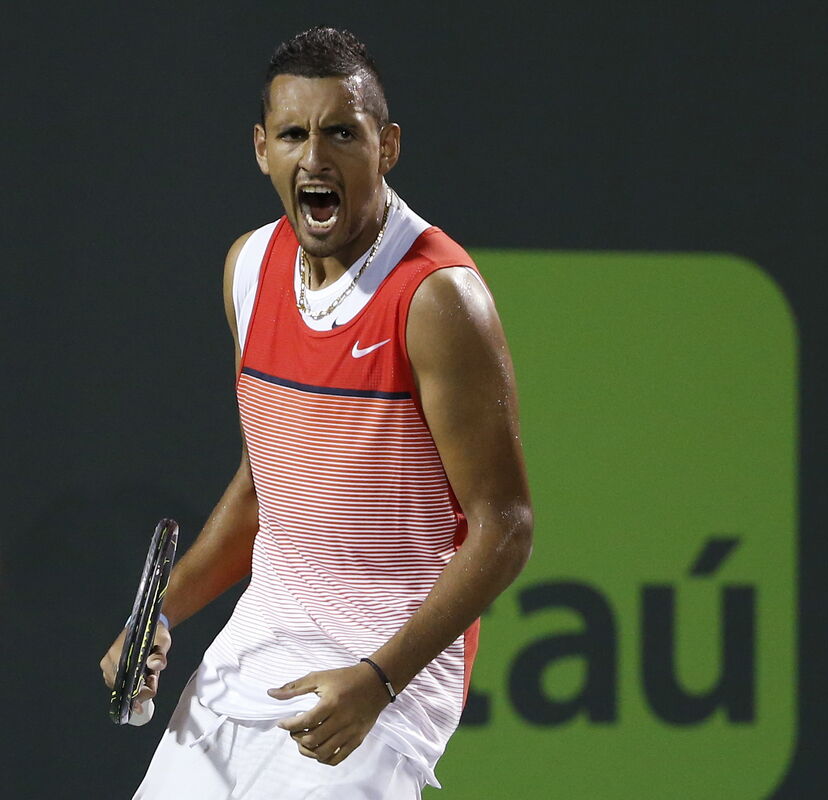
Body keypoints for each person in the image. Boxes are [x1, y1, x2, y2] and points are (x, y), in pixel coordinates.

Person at [100, 27, 533, 798]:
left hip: (383, 683)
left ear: (386, 146)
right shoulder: (248, 270)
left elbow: (505, 525)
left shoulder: (437, 298)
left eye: (341, 133)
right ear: (261, 149)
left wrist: (379, 680)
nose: (314, 158)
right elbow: (263, 493)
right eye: (293, 135)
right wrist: (157, 617)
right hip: (253, 655)